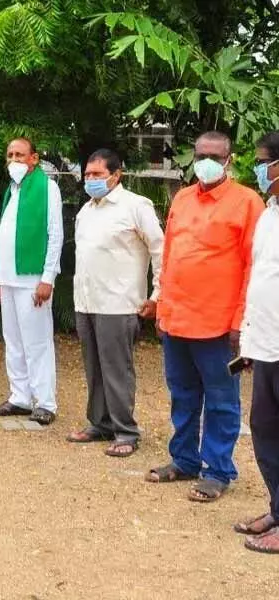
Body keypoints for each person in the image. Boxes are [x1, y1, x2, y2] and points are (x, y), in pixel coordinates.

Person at [146, 131, 264, 503]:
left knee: (221, 400)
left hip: (219, 325)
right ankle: (183, 459)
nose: (206, 161)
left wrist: (240, 321)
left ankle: (217, 470)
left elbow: (253, 267)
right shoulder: (182, 198)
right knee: (182, 394)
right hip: (177, 319)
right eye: (200, 154)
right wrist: (162, 305)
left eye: (214, 155)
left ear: (229, 160)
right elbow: (169, 258)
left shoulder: (247, 202)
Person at [67, 149, 163, 457]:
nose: (91, 180)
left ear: (116, 174)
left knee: (117, 369)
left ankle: (126, 431)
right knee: (94, 368)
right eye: (87, 175)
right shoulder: (86, 211)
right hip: (87, 301)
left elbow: (160, 251)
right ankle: (100, 423)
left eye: (97, 174)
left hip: (119, 302)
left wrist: (156, 295)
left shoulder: (136, 206)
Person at [0, 137, 64, 425]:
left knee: (37, 342)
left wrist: (48, 277)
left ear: (34, 158)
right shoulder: (12, 190)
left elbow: (55, 235)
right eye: (10, 155)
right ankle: (19, 397)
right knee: (14, 341)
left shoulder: (48, 188)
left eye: (20, 155)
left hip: (33, 278)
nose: (14, 160)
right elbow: (5, 236)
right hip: (8, 278)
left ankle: (45, 402)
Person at [236, 131, 279, 551]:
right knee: (264, 428)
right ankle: (277, 509)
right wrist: (249, 338)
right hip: (266, 343)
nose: (259, 171)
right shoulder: (268, 214)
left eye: (263, 162)